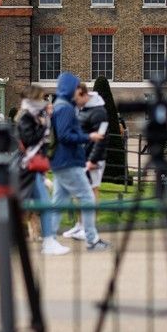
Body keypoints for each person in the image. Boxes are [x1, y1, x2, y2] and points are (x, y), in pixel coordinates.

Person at [50, 73, 109, 251]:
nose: (79, 90)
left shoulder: (61, 105)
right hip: (69, 160)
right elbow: (65, 135)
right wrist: (88, 136)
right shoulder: (67, 108)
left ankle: (49, 238)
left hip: (62, 160)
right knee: (88, 197)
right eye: (76, 87)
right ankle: (92, 239)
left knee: (57, 203)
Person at [16, 86, 67, 256]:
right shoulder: (26, 117)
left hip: (33, 167)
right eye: (41, 98)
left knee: (32, 205)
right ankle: (49, 241)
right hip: (28, 167)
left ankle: (48, 240)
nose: (44, 102)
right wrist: (42, 126)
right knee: (42, 204)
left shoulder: (33, 116)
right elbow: (29, 139)